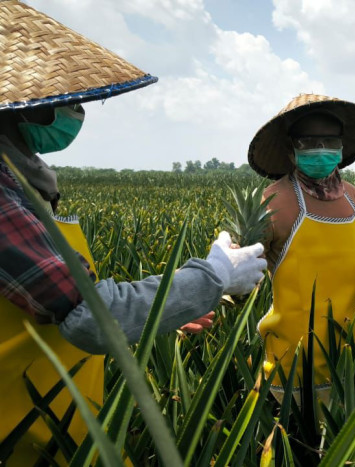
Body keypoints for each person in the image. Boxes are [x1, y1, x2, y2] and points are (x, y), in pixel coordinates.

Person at [0, 2, 267, 464]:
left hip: (53, 416)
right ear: (25, 107)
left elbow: (52, 306)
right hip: (16, 427)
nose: (75, 111)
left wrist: (165, 313)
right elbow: (89, 315)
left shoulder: (24, 176)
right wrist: (214, 275)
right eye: (63, 99)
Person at [249, 93, 355, 405]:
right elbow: (246, 262)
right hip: (295, 357)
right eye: (308, 142)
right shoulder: (272, 199)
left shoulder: (352, 196)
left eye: (329, 141)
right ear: (292, 149)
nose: (320, 150)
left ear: (341, 147)